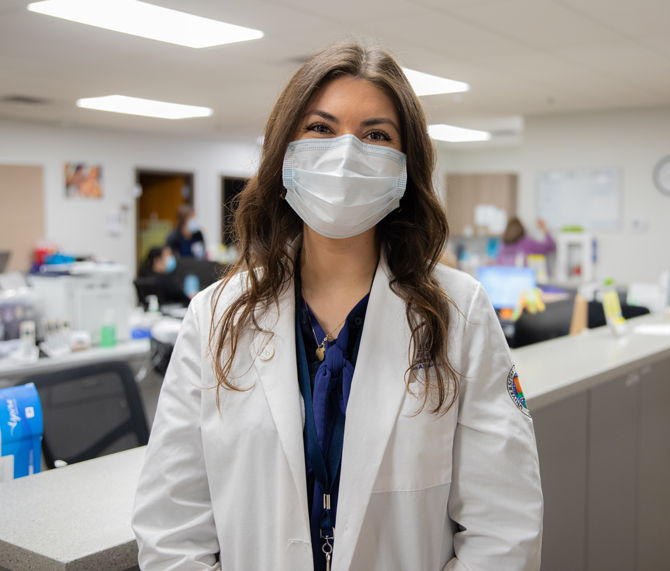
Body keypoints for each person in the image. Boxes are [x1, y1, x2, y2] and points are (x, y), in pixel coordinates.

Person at [132, 42, 543, 571]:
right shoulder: (215, 316)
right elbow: (170, 525)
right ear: (285, 151)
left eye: (375, 135)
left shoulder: (459, 313)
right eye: (321, 129)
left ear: (404, 166)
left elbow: (505, 527)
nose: (346, 154)